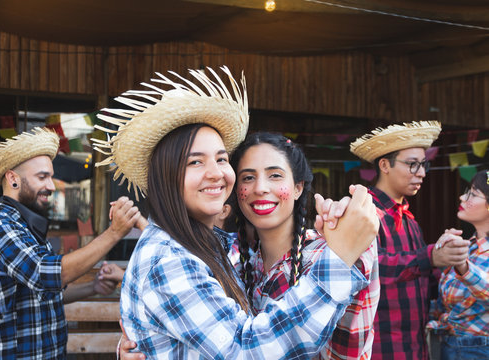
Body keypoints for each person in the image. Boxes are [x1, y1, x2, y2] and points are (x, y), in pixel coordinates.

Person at [93, 66, 378, 359]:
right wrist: (340, 258)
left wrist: (347, 244)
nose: (216, 174)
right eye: (195, 162)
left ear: (299, 187)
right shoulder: (172, 259)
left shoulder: (219, 249)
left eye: (221, 158)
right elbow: (245, 349)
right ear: (166, 176)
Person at [0, 127, 145, 359]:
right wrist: (114, 233)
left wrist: (92, 287)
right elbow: (47, 275)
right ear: (13, 179)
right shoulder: (1, 228)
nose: (52, 186)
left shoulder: (25, 226)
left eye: (51, 177)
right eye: (42, 177)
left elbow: (50, 292)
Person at [230, 132, 379, 359]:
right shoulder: (239, 263)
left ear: (298, 187)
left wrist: (350, 236)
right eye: (248, 178)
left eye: (275, 175)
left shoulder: (327, 253)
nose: (260, 188)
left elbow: (349, 351)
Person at [350, 121, 472, 360]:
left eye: (423, 164)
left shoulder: (410, 221)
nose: (422, 173)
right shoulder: (362, 212)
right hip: (381, 349)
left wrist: (451, 261)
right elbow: (368, 268)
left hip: (415, 347)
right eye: (412, 164)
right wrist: (431, 256)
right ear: (384, 165)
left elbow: (422, 275)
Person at [427, 170, 489, 359]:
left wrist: (462, 264)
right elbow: (447, 304)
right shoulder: (468, 246)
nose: (463, 197)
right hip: (452, 346)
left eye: (472, 194)